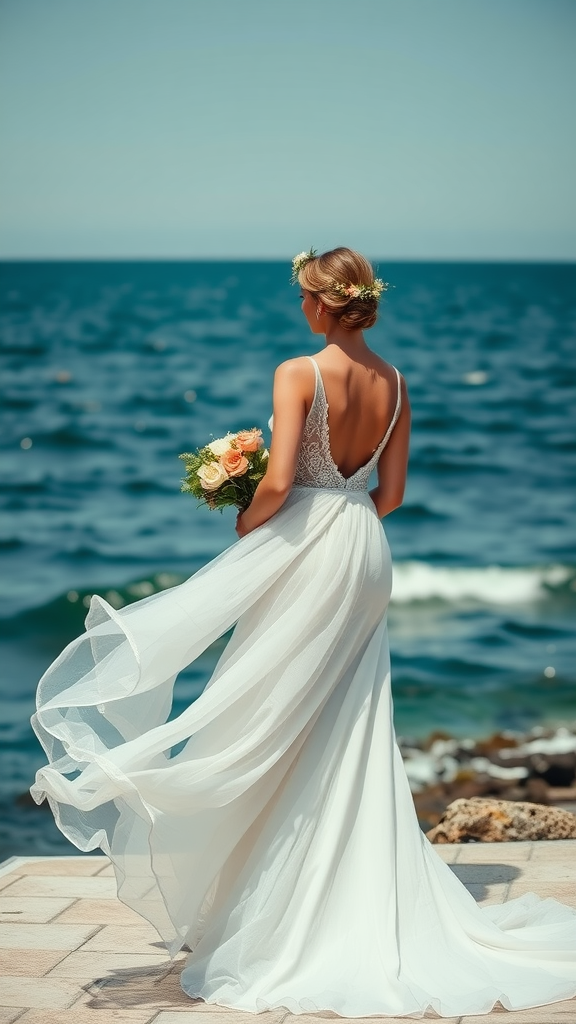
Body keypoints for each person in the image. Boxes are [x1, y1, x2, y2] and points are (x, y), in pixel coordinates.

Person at [31, 247, 576, 1018]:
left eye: (301, 296)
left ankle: (278, 908)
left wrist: (247, 521)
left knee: (270, 715)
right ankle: (320, 891)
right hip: (363, 548)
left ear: (321, 303)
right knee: (349, 721)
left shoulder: (299, 373)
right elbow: (390, 494)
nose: (298, 308)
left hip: (306, 548)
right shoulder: (394, 380)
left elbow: (282, 482)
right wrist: (336, 515)